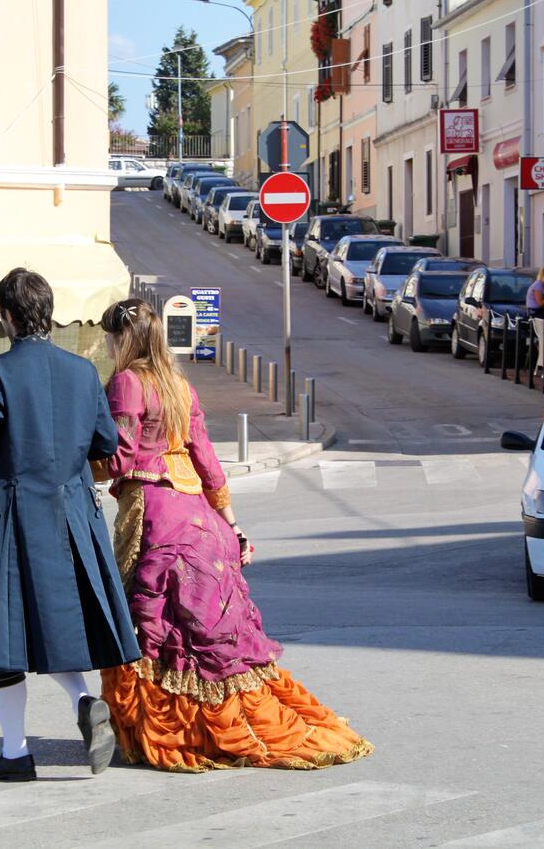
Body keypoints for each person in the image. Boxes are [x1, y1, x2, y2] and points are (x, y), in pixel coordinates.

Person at [94, 299, 374, 772]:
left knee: (150, 623)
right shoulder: (180, 385)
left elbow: (120, 458)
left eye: (109, 338)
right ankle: (215, 723)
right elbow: (205, 458)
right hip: (201, 520)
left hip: (154, 513)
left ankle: (164, 730)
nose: (106, 345)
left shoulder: (128, 381)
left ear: (123, 339)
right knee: (203, 632)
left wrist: (83, 460)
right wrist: (231, 520)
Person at [0, 268, 141, 783]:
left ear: (6, 316)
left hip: (6, 517)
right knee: (54, 627)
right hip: (71, 514)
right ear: (46, 313)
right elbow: (104, 443)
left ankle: (15, 752)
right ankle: (85, 699)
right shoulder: (82, 371)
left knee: (3, 637)